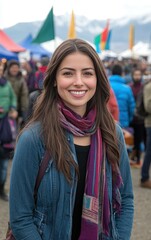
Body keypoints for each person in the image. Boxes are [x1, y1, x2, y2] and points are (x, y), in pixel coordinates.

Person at [9, 39, 134, 240]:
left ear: (98, 79)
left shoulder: (113, 134)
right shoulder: (33, 139)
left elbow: (126, 200)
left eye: (87, 73)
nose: (78, 81)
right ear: (55, 79)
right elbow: (21, 218)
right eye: (68, 73)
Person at [0, 62, 18, 201]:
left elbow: (13, 98)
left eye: (1, 69)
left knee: (5, 162)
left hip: (5, 124)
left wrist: (13, 108)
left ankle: (2, 189)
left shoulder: (6, 84)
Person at [109, 64, 135, 129]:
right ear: (122, 73)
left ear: (111, 73)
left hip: (107, 121)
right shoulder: (127, 88)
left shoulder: (105, 87)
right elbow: (131, 107)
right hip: (123, 122)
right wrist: (129, 119)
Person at [4, 60, 29, 127]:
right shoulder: (4, 79)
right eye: (13, 68)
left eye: (16, 68)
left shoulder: (21, 79)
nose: (14, 70)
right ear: (9, 68)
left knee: (14, 128)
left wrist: (24, 109)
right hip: (4, 108)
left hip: (16, 108)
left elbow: (24, 94)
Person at [129, 69, 146, 167]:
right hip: (131, 118)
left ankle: (138, 158)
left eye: (139, 74)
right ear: (132, 75)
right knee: (131, 139)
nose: (137, 76)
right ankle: (132, 158)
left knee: (139, 139)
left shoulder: (143, 87)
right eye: (135, 74)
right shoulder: (129, 87)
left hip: (140, 119)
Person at [140, 80, 151, 188]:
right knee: (149, 152)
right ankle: (144, 177)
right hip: (150, 124)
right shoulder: (148, 87)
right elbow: (148, 107)